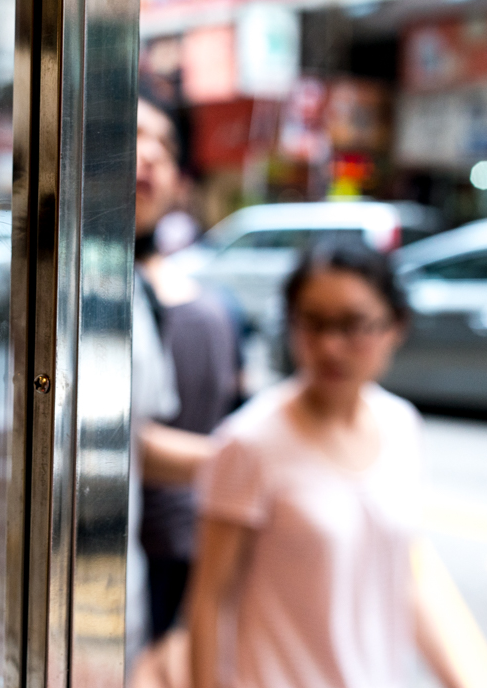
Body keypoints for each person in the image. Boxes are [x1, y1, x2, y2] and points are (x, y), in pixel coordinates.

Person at [188, 243, 464, 688]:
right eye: (312, 323)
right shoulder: (250, 442)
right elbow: (208, 601)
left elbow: (403, 580)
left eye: (353, 325)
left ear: (395, 326)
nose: (330, 346)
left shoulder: (401, 425)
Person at [128, 94, 239, 679]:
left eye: (164, 146)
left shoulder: (212, 307)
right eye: (132, 136)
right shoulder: (63, 297)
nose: (147, 156)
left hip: (187, 551)